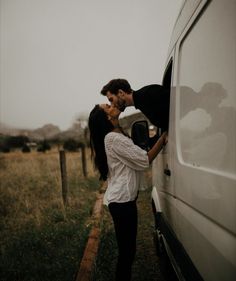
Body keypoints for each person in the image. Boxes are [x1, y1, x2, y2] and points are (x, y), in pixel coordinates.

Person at [88, 104, 167, 281]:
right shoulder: (113, 138)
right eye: (107, 106)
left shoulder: (115, 136)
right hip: (122, 202)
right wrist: (163, 139)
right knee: (127, 253)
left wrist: (154, 139)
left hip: (123, 201)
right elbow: (144, 160)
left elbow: (137, 153)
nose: (112, 105)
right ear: (106, 118)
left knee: (128, 252)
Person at [100, 78, 170, 131]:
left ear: (121, 93)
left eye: (111, 100)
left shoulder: (150, 93)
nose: (112, 105)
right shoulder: (143, 100)